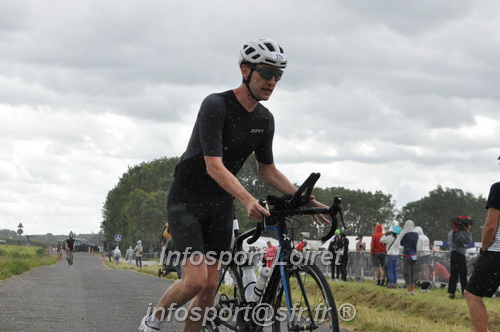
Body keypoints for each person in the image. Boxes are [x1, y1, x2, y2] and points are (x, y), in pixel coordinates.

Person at [138, 38, 329, 332]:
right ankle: (152, 322)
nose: (272, 81)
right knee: (196, 280)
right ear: (245, 70)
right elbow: (213, 165)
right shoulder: (216, 104)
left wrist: (301, 196)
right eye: (266, 73)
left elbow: (267, 170)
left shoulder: (265, 119)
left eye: (279, 76)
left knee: (210, 287)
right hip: (186, 200)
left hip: (219, 204)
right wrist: (248, 200)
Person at [465, 157, 500, 332]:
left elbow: (491, 226)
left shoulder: (498, 188)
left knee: (472, 294)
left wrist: (484, 248)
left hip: (496, 252)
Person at [447, 216, 473, 299]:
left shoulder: (450, 233)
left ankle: (451, 292)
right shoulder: (457, 235)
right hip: (459, 255)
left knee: (453, 274)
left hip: (453, 254)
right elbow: (467, 241)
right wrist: (468, 231)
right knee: (463, 274)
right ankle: (464, 292)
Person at [399, 220, 419, 295]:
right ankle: (412, 289)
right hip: (414, 255)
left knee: (406, 273)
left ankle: (409, 290)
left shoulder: (406, 234)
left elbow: (401, 243)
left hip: (407, 255)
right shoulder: (416, 234)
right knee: (413, 272)